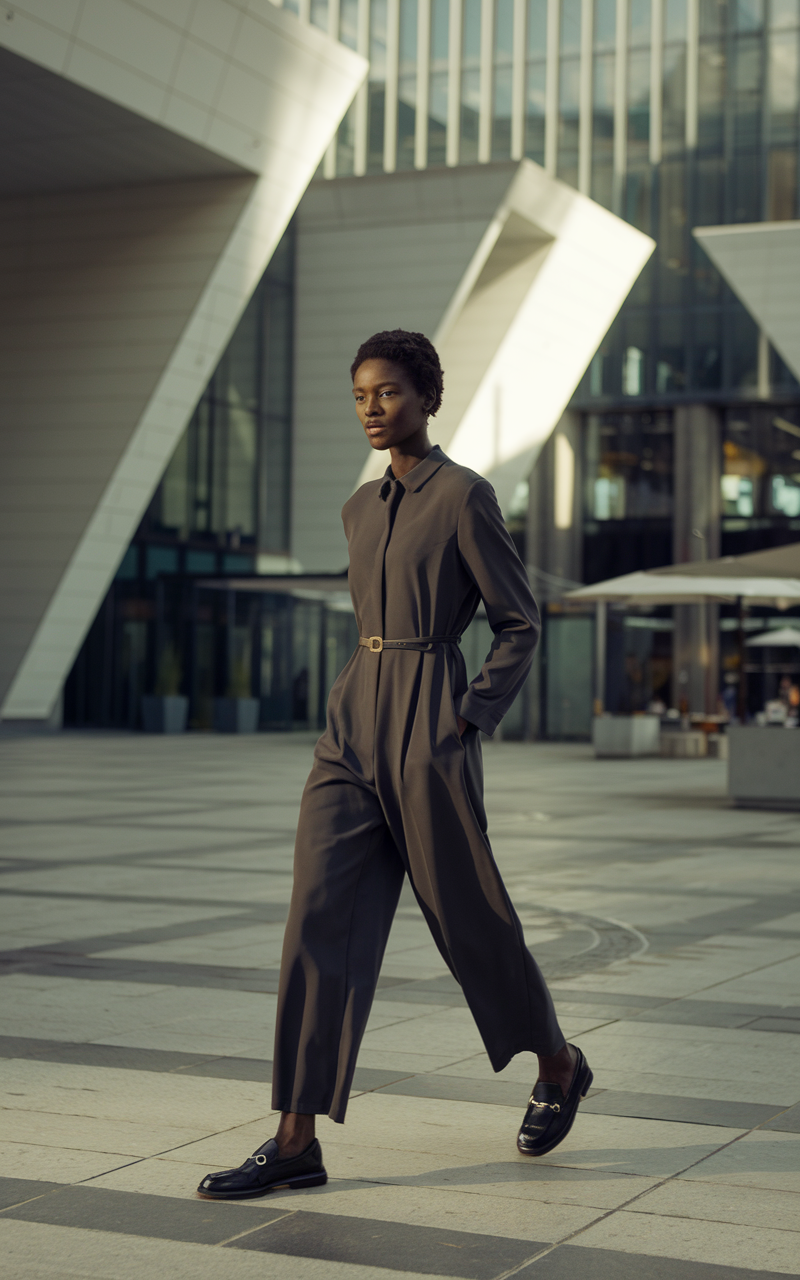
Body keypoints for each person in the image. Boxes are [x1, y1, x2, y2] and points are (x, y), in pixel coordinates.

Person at [197, 330, 592, 1201]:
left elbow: (520, 619)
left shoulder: (464, 496)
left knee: (467, 916)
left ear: (426, 397)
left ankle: (559, 1063)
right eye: (361, 397)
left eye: (388, 393)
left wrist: (468, 713)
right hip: (352, 721)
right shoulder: (357, 508)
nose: (373, 410)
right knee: (316, 919)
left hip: (428, 716)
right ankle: (295, 1138)